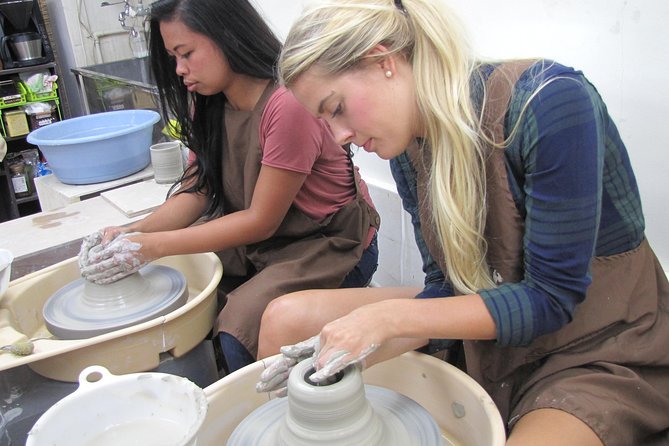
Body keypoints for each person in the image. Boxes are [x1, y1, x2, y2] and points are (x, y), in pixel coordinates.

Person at [255, 0, 669, 444]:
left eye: (335, 109)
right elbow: (443, 282)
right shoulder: (407, 148)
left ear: (383, 60)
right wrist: (351, 351)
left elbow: (551, 299)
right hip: (491, 314)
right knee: (287, 318)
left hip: (593, 341)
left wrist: (390, 320)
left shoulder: (550, 102)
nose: (339, 138)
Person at [77, 0, 380, 374]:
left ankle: (252, 406)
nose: (180, 69)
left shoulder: (286, 104)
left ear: (228, 36)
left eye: (186, 54)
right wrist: (130, 233)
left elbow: (260, 221)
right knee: (185, 283)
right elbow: (196, 191)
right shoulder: (209, 103)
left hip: (329, 244)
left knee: (239, 325)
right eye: (173, 57)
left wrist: (152, 246)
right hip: (266, 242)